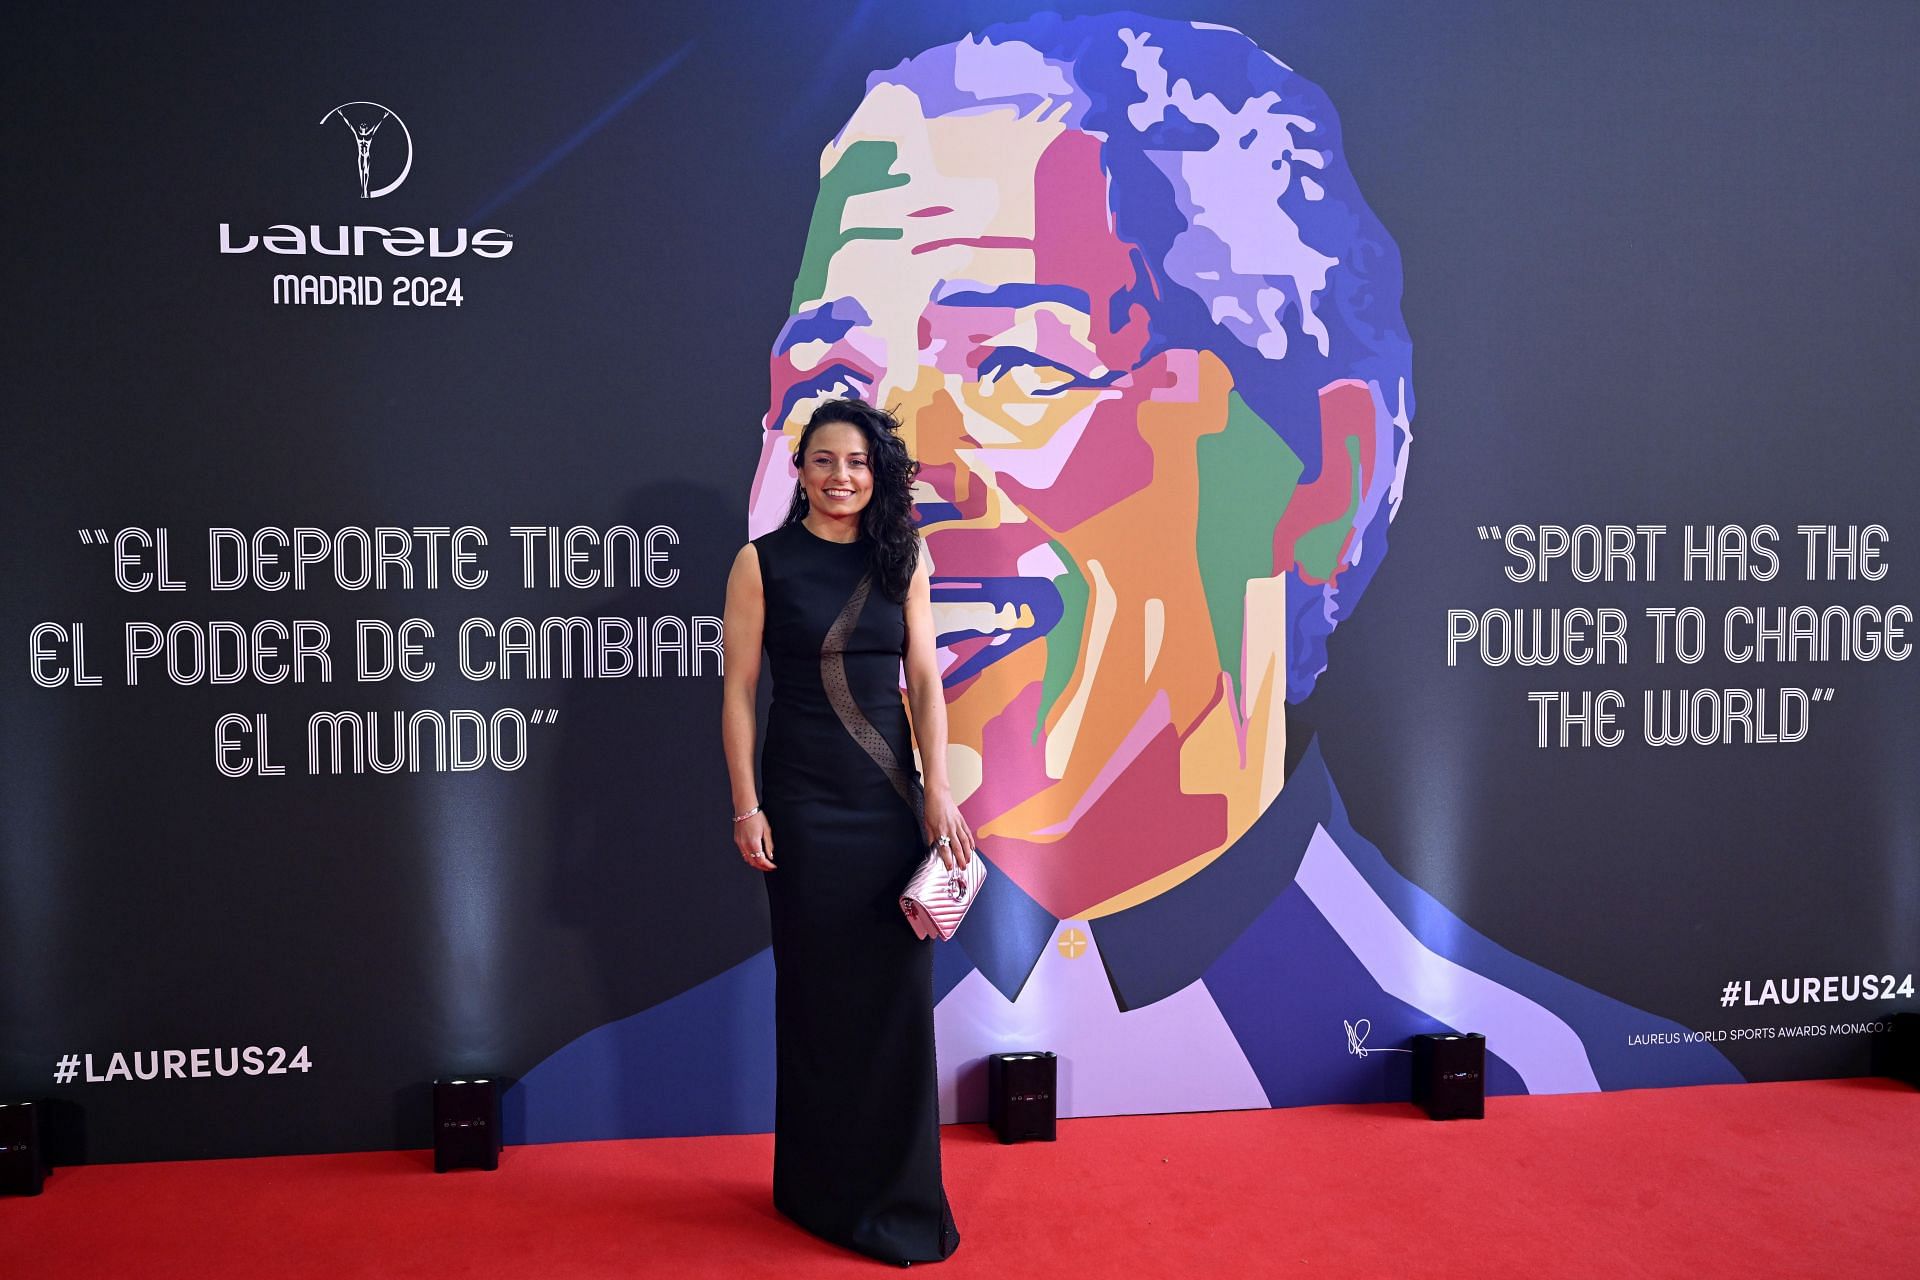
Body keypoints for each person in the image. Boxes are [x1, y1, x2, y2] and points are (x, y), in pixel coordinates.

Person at [721, 397, 970, 1265]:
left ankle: (901, 1201)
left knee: (897, 1007)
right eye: (825, 461)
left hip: (889, 810)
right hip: (801, 810)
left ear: (878, 473)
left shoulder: (904, 558)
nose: (842, 478)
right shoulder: (763, 564)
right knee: (818, 1003)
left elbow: (928, 682)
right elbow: (739, 697)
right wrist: (747, 805)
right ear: (799, 471)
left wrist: (939, 790)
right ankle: (815, 1191)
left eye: (858, 463)